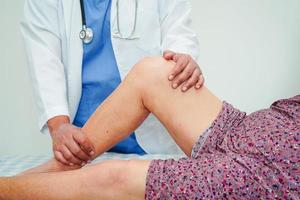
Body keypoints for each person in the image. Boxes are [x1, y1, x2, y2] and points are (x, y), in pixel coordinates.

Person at [0, 56, 299, 200]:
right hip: (254, 126)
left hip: (275, 170)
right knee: (154, 73)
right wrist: (184, 62)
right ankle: (55, 171)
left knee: (112, 178)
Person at [20, 0, 204, 166]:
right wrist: (59, 125)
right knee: (49, 180)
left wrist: (182, 60)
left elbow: (178, 32)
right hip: (85, 139)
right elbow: (43, 58)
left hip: (152, 137)